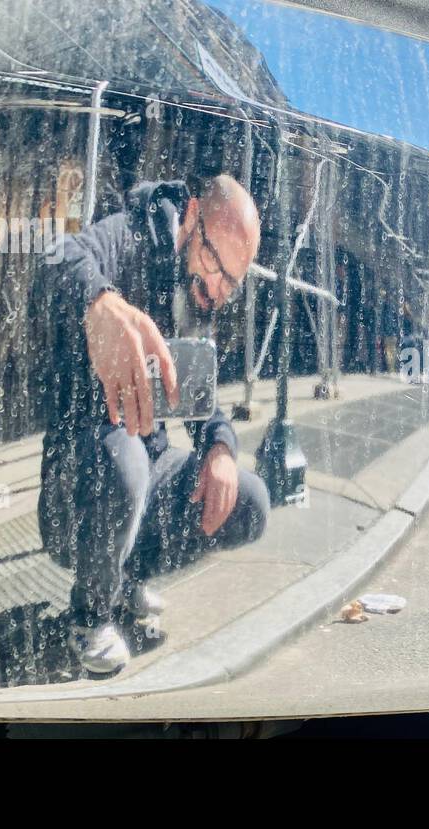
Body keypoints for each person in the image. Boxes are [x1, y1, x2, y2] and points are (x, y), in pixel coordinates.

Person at [38, 175, 270, 674]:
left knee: (249, 501)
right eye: (212, 262)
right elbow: (56, 256)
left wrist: (222, 448)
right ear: (189, 217)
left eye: (231, 281)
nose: (215, 288)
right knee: (128, 464)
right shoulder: (133, 234)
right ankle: (89, 616)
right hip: (79, 474)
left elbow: (200, 398)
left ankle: (125, 579)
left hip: (147, 462)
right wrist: (98, 301)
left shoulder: (196, 296)